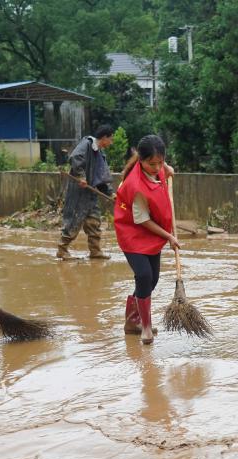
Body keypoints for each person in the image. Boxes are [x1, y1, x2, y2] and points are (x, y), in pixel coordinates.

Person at [113, 134, 179, 344]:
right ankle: (146, 328)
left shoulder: (156, 167)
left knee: (154, 279)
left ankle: (132, 321)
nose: (157, 167)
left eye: (160, 162)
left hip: (152, 233)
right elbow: (141, 220)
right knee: (143, 276)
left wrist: (166, 168)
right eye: (152, 164)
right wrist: (169, 235)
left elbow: (161, 163)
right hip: (132, 231)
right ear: (140, 160)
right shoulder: (135, 185)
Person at [58, 125, 115, 260]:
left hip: (91, 193)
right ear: (104, 137)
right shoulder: (86, 144)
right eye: (111, 139)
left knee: (94, 222)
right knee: (74, 220)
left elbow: (102, 175)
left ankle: (95, 251)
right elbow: (75, 158)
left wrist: (109, 192)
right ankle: (62, 249)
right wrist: (81, 176)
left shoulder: (100, 153)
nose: (111, 143)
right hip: (79, 192)